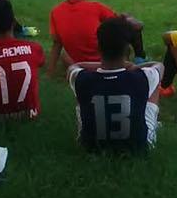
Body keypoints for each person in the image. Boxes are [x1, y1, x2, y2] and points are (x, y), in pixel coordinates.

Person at [68, 17, 164, 153]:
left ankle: (87, 130)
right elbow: (159, 65)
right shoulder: (144, 77)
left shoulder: (79, 77)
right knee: (153, 83)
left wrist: (103, 66)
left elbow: (74, 66)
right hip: (138, 148)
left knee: (81, 92)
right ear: (128, 50)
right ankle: (150, 125)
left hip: (90, 148)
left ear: (98, 47)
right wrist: (131, 66)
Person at [48, 0, 145, 74]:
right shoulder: (95, 7)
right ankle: (139, 58)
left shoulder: (55, 12)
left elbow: (57, 44)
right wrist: (127, 18)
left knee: (64, 55)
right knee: (126, 28)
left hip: (80, 65)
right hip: (106, 62)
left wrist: (50, 72)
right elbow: (118, 25)